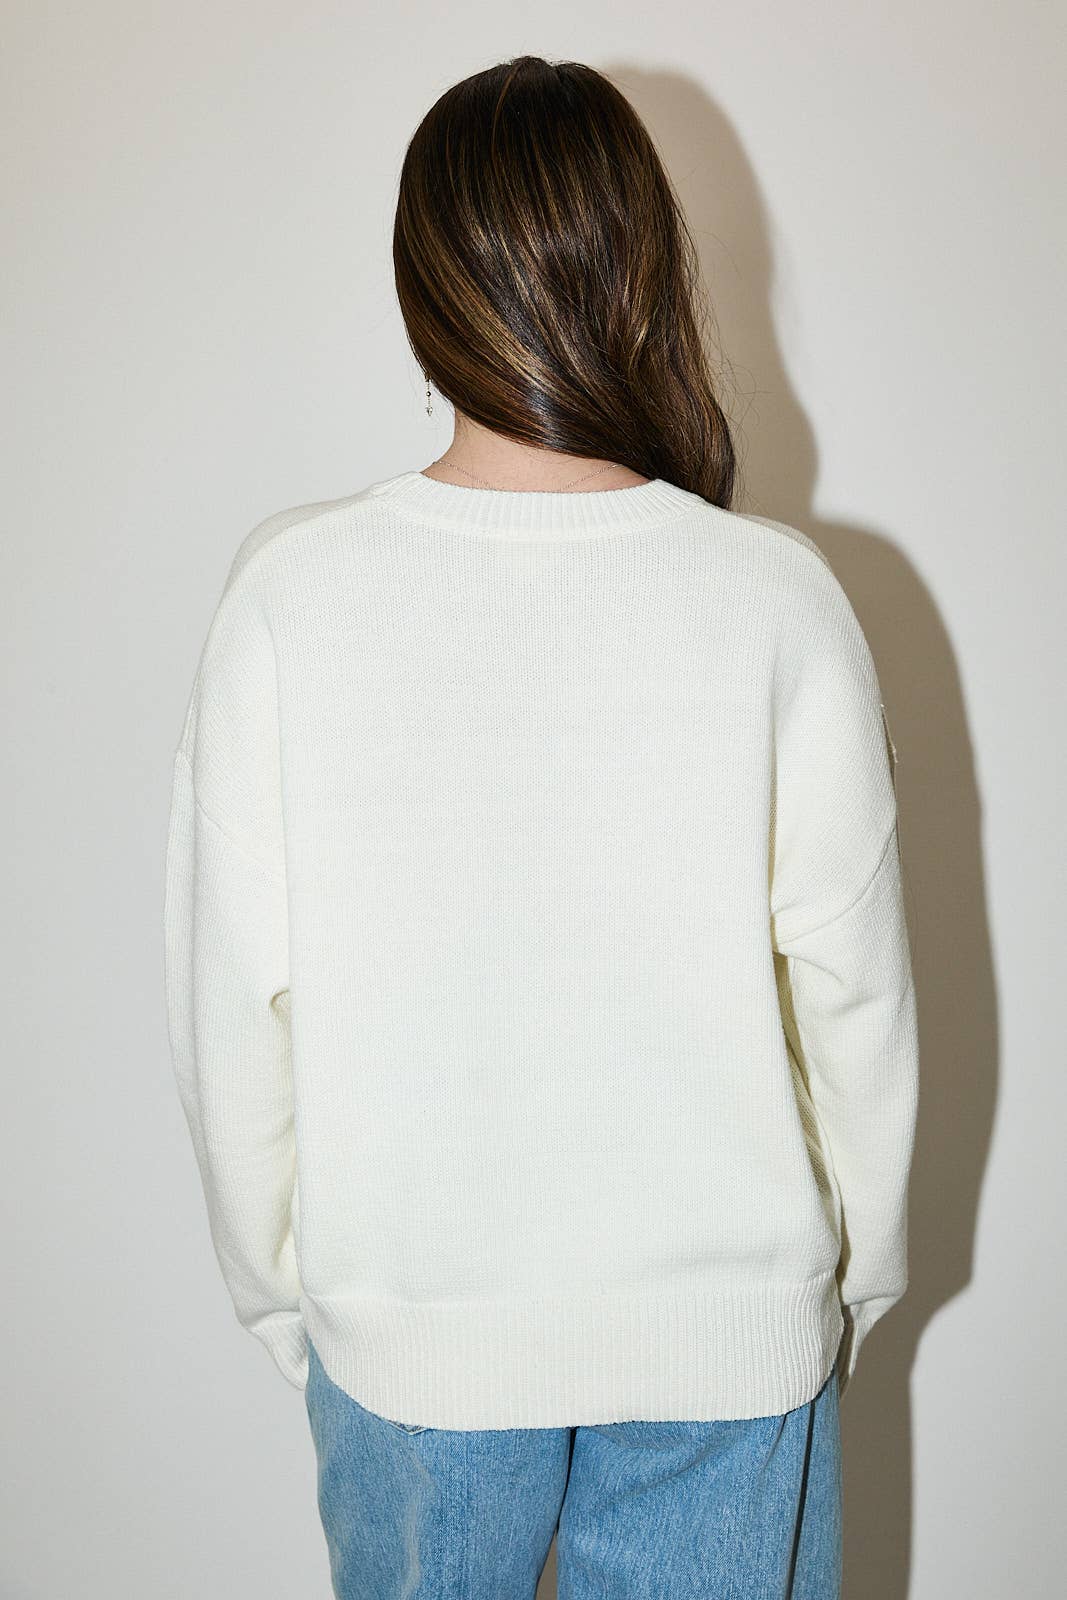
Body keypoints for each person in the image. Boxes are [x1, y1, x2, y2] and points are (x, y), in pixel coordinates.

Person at [163, 53, 919, 1600]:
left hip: (412, 1339)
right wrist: (858, 1281)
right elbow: (860, 1004)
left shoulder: (292, 597)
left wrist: (296, 1305)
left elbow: (230, 1015)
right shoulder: (773, 598)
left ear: (421, 288)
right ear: (645, 275)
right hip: (727, 1347)